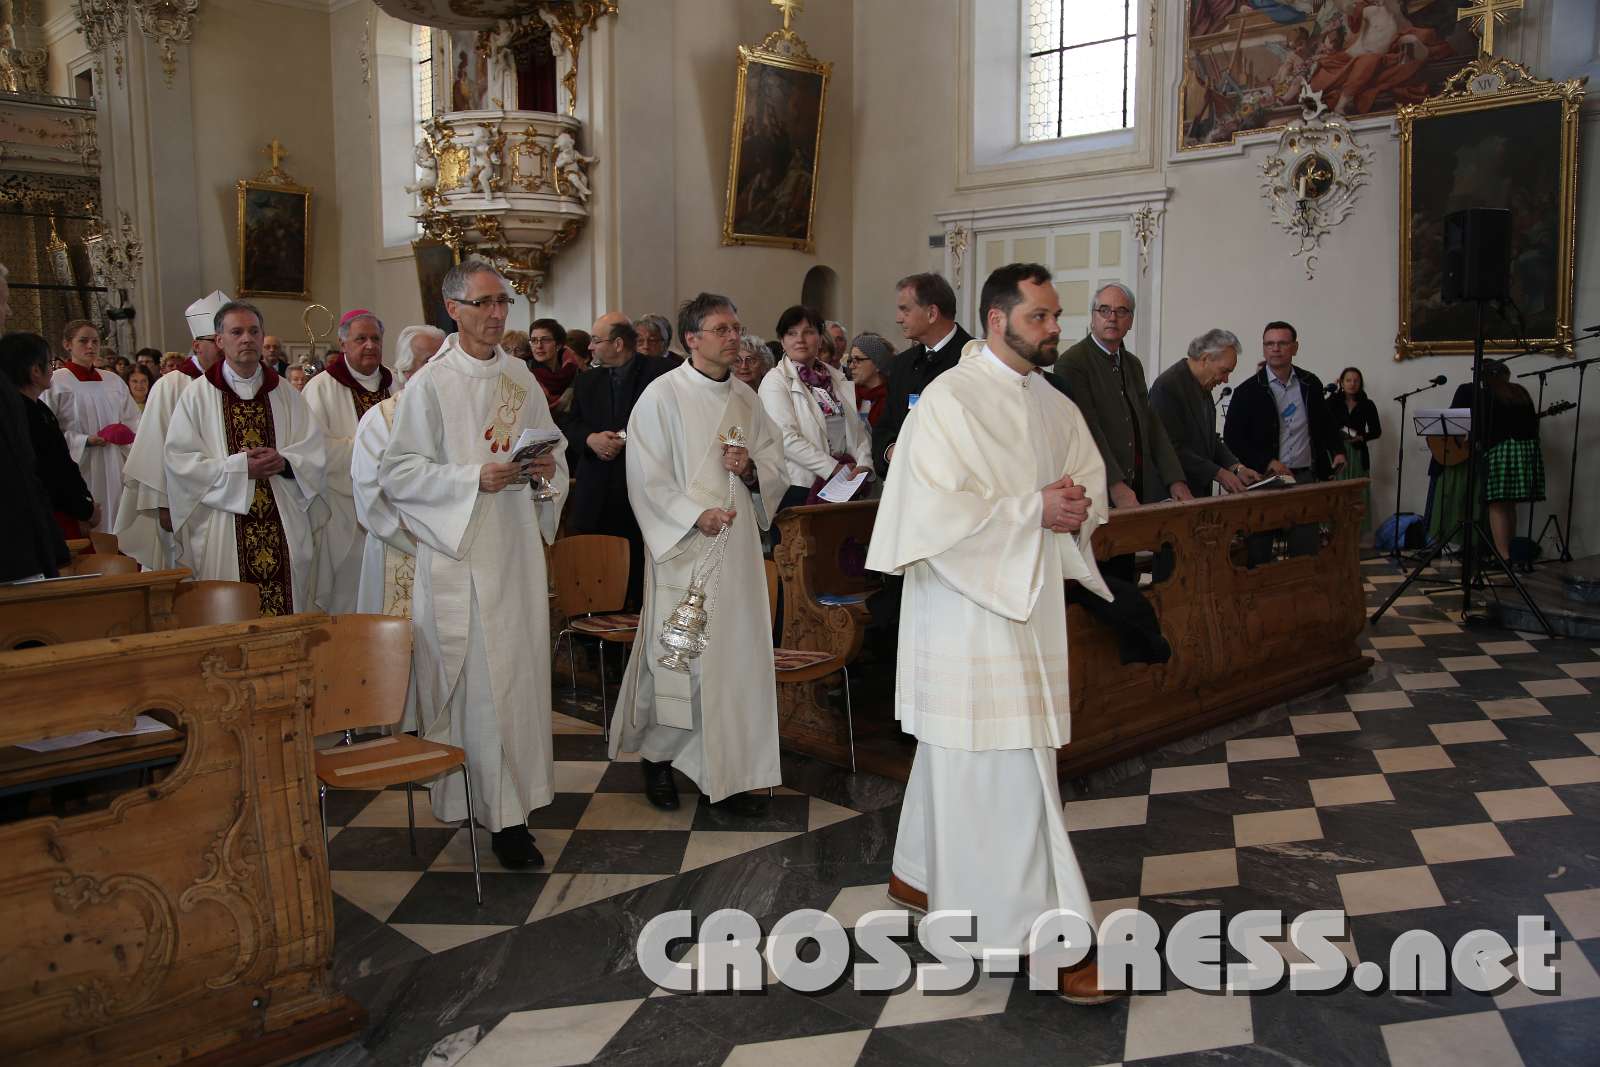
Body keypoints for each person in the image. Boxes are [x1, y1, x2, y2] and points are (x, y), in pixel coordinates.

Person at [866, 262, 1120, 1005]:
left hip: (1027, 602)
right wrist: (1032, 510)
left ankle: (919, 870)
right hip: (965, 609)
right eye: (1042, 316)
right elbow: (928, 513)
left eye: (1057, 315)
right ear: (999, 319)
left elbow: (1086, 478)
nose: (1055, 328)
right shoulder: (950, 400)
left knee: (969, 751)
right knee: (1006, 762)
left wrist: (1074, 504)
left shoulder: (1049, 399)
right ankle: (1037, 933)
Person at [379, 257, 568, 870]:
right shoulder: (430, 384)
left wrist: (545, 470)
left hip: (515, 554)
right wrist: (470, 480)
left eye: (502, 302)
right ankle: (497, 814)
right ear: (453, 309)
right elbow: (398, 472)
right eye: (483, 303)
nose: (496, 313)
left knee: (518, 683)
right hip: (460, 560)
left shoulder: (521, 378)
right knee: (482, 690)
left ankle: (513, 805)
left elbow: (552, 453)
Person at [607, 292, 788, 814]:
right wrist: (693, 515)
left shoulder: (747, 399)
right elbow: (646, 476)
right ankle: (658, 758)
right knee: (680, 659)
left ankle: (725, 775)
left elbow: (775, 462)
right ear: (692, 339)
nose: (734, 338)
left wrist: (751, 469)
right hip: (684, 549)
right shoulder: (661, 396)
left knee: (733, 661)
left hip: (737, 551)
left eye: (736, 328)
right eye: (722, 329)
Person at [164, 301, 329, 615]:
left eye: (254, 331)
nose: (247, 339)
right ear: (219, 340)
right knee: (228, 610)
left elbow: (313, 452)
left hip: (282, 519)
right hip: (224, 524)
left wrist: (286, 462)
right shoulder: (197, 396)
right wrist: (240, 468)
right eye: (236, 332)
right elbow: (180, 462)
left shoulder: (286, 394)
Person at [113, 290, 230, 570]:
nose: (223, 346)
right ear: (197, 345)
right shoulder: (172, 385)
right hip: (182, 499)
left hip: (225, 492)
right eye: (215, 340)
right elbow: (155, 444)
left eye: (227, 338)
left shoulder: (235, 383)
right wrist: (162, 503)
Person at [1055, 283, 1191, 511]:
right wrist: (1115, 485)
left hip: (1137, 483)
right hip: (1096, 490)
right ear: (1093, 317)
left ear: (1131, 321)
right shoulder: (1073, 363)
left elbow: (1151, 424)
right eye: (1104, 310)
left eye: (1121, 311)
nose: (1112, 318)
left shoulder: (1132, 364)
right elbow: (1087, 429)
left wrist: (1175, 479)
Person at [569, 312, 672, 609]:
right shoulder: (587, 380)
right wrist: (591, 439)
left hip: (643, 493)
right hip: (596, 495)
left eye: (596, 340)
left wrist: (623, 437)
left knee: (640, 586)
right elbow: (571, 424)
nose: (590, 347)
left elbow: (669, 421)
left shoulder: (661, 373)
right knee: (596, 580)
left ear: (617, 344)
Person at [302, 309, 394, 614]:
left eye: (376, 338)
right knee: (347, 597)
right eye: (361, 339)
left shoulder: (396, 385)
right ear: (343, 344)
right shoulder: (321, 388)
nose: (370, 345)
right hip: (343, 511)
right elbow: (314, 450)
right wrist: (372, 452)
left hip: (394, 506)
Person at [352, 324, 445, 619]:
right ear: (405, 370)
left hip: (450, 550)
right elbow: (370, 495)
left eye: (445, 361)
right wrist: (427, 537)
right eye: (430, 362)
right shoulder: (379, 420)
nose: (441, 370)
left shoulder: (457, 417)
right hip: (401, 546)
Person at [758, 304, 872, 511]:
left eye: (808, 332)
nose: (800, 339)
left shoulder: (835, 377)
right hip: (798, 485)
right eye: (791, 333)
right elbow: (785, 437)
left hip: (843, 481)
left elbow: (856, 428)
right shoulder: (775, 381)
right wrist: (833, 468)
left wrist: (864, 464)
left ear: (820, 338)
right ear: (782, 341)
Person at [45, 318, 140, 533]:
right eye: (83, 341)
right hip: (79, 464)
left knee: (117, 520)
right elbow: (47, 432)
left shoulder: (113, 381)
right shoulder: (56, 382)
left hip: (114, 462)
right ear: (67, 344)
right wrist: (84, 440)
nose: (91, 346)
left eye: (95, 341)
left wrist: (125, 434)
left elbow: (134, 421)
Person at [2, 331, 97, 540]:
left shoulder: (35, 408)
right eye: (50, 363)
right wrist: (84, 509)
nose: (53, 369)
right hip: (49, 516)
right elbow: (53, 469)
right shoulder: (28, 415)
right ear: (35, 371)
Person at [1223, 321, 1345, 484]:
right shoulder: (1246, 391)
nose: (1275, 349)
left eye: (1282, 343)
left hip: (1309, 475)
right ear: (1263, 348)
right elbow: (1233, 439)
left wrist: (1338, 451)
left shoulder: (1310, 383)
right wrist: (1267, 462)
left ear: (1295, 347)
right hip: (1267, 477)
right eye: (1269, 344)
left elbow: (1325, 422)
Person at [874, 273, 971, 474]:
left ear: (932, 313)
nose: (898, 319)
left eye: (905, 310)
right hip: (903, 479)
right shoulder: (901, 364)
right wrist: (890, 451)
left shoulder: (974, 360)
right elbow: (884, 426)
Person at [1149, 328, 1261, 497]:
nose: (1226, 380)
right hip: (1172, 494)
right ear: (1205, 359)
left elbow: (1209, 439)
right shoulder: (1167, 386)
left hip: (1198, 492)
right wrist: (1219, 473)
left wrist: (1237, 468)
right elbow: (1170, 448)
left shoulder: (1203, 385)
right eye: (1224, 371)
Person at [1480, 360, 1544, 562]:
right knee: (1510, 505)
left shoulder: (1489, 395)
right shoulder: (1520, 391)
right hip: (1526, 451)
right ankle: (1512, 553)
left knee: (1496, 505)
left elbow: (1485, 427)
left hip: (1502, 450)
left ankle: (1503, 556)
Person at [1327, 365, 1381, 531]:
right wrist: (1332, 393)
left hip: (1357, 452)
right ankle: (1332, 531)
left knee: (1356, 494)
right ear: (1342, 382)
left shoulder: (1367, 404)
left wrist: (1361, 437)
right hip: (1335, 452)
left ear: (1360, 383)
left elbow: (1376, 431)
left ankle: (1355, 532)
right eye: (1348, 380)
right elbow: (1323, 422)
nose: (1352, 384)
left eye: (1356, 381)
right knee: (1335, 492)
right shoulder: (1333, 401)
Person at [528, 317, 578, 413]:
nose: (539, 346)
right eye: (534, 340)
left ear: (558, 345)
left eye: (545, 340)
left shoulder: (575, 372)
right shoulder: (525, 373)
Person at [845, 332, 893, 427]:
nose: (851, 366)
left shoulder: (893, 400)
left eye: (858, 360)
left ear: (877, 364)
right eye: (851, 360)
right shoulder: (849, 395)